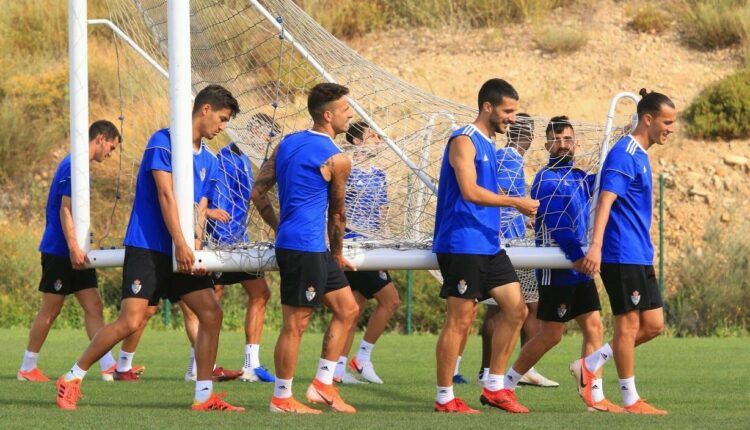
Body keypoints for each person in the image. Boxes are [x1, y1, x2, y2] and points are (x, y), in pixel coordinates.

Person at [55, 84, 244, 412]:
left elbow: (200, 210)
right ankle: (71, 377)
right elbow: (165, 195)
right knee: (130, 322)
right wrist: (182, 245)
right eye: (222, 119)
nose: (222, 127)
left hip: (183, 251)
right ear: (205, 109)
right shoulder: (163, 141)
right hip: (149, 247)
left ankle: (204, 396)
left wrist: (194, 250)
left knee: (211, 313)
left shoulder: (210, 162)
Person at [432, 78, 539, 414]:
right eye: (508, 111)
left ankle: (495, 387)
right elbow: (469, 191)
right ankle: (445, 397)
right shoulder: (464, 140)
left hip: (488, 244)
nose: (512, 118)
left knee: (516, 309)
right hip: (462, 243)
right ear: (487, 107)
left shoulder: (491, 144)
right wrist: (516, 203)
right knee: (460, 321)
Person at [501, 116, 621, 413]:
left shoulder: (579, 176)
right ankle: (506, 384)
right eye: (557, 140)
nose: (563, 144)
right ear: (547, 145)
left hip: (579, 268)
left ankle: (594, 395)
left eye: (568, 139)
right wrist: (579, 258)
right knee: (551, 335)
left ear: (575, 142)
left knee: (594, 327)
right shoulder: (546, 179)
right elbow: (558, 228)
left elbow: (605, 183)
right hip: (559, 270)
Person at [251, 82, 359, 414]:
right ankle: (281, 399)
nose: (350, 114)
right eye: (345, 110)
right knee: (295, 324)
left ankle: (322, 386)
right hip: (307, 248)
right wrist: (338, 252)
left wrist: (280, 226)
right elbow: (338, 214)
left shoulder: (288, 143)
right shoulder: (336, 159)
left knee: (348, 309)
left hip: (305, 245)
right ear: (328, 116)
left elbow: (258, 192)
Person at [579, 89, 676, 415]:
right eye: (667, 121)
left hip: (639, 253)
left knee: (654, 324)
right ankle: (630, 399)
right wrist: (597, 245)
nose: (670, 128)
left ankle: (590, 363)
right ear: (647, 119)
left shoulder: (641, 155)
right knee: (628, 328)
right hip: (621, 254)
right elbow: (605, 201)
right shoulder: (624, 153)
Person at [19, 120, 122, 383]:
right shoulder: (73, 165)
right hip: (61, 250)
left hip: (75, 250)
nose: (110, 154)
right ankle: (27, 368)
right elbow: (65, 209)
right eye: (111, 147)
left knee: (94, 305)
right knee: (51, 309)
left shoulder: (81, 166)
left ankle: (108, 365)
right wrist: (74, 247)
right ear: (100, 138)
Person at [477, 113, 558, 388]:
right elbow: (502, 192)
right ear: (531, 136)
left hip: (501, 240)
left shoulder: (501, 156)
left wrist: (520, 215)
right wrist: (517, 211)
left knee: (496, 311)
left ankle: (486, 371)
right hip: (513, 245)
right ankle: (525, 368)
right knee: (532, 308)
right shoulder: (511, 159)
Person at [204, 112, 280, 384]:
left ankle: (251, 365)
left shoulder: (246, 162)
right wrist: (210, 214)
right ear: (252, 133)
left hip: (240, 241)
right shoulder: (223, 159)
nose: (267, 143)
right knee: (209, 303)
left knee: (261, 293)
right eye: (267, 137)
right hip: (220, 242)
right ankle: (201, 365)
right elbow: (208, 195)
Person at [332, 121, 400, 385]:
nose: (378, 141)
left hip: (373, 249)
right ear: (357, 141)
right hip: (351, 247)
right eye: (373, 136)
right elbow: (336, 207)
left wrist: (385, 243)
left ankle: (338, 369)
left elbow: (382, 213)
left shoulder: (380, 174)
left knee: (354, 308)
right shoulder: (346, 170)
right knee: (390, 301)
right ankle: (361, 357)